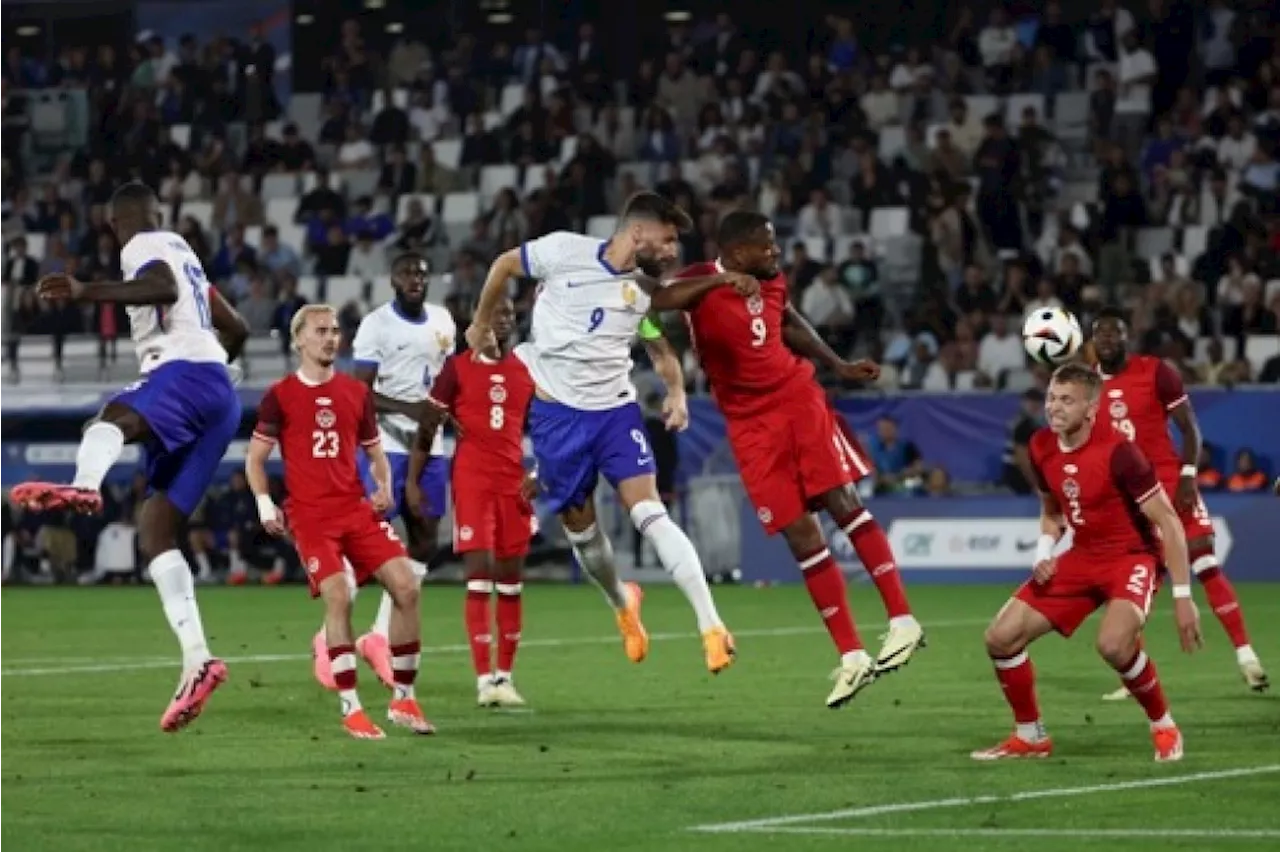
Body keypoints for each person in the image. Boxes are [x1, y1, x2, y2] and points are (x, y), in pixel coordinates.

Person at [465, 191, 746, 673]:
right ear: (637, 233)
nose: (672, 250)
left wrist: (676, 392)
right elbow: (503, 265)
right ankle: (622, 602)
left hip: (615, 414)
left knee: (650, 512)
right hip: (557, 421)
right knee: (584, 535)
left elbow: (660, 349)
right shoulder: (563, 252)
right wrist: (478, 322)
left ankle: (712, 626)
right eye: (667, 240)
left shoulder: (642, 292)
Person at [8, 181, 249, 733]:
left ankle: (87, 484)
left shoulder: (143, 246)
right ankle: (198, 659)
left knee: (107, 421)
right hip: (220, 392)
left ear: (114, 222)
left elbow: (160, 289)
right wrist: (214, 369)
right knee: (156, 528)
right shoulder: (189, 255)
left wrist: (84, 290)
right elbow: (239, 328)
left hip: (182, 372)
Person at [662, 211, 924, 707]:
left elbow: (787, 320)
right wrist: (722, 279)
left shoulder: (771, 279)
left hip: (796, 400)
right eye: (767, 247)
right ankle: (852, 657)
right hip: (748, 426)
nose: (776, 255)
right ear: (738, 252)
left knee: (843, 501)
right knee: (800, 534)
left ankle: (902, 621)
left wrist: (836, 364)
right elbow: (657, 301)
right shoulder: (700, 279)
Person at [972, 363, 1202, 762]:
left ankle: (1163, 726)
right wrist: (1044, 552)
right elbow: (1052, 512)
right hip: (1081, 556)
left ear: (1091, 408)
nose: (1054, 408)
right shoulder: (1042, 446)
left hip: (1131, 558)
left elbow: (1168, 521)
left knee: (1113, 645)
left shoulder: (1121, 453)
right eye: (1051, 398)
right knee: (1000, 636)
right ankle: (1030, 736)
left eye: (1066, 400)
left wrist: (1183, 597)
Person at [246, 304, 434, 740]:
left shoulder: (355, 393)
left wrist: (384, 486)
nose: (331, 338)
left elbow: (374, 451)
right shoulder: (280, 395)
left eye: (334, 331)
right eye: (320, 331)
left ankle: (404, 698)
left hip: (354, 508)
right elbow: (256, 459)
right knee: (340, 595)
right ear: (299, 340)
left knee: (406, 584)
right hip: (311, 516)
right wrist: (264, 505)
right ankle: (351, 707)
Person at [1092, 307, 1268, 695]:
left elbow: (1190, 428)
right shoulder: (1087, 388)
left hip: (1170, 484)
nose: (1107, 339)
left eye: (1114, 332)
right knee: (1127, 580)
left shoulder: (1156, 372)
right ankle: (1132, 666)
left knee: (1204, 559)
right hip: (1125, 498)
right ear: (1091, 341)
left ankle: (1246, 657)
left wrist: (1187, 476)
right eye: (1100, 333)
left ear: (1128, 337)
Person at [309, 252, 456, 691]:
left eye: (422, 273)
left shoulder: (444, 320)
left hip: (432, 447)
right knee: (363, 541)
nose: (416, 279)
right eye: (408, 272)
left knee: (426, 538)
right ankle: (327, 634)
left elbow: (447, 381)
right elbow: (360, 393)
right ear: (393, 279)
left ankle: (376, 634)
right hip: (386, 446)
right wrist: (410, 407)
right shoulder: (377, 324)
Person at [409, 297, 537, 707]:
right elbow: (428, 426)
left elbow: (551, 427)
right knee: (480, 577)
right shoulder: (457, 369)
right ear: (477, 323)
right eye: (497, 313)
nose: (505, 320)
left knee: (512, 584)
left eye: (510, 314)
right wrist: (414, 479)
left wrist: (540, 472)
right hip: (473, 483)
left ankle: (506, 677)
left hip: (513, 486)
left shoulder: (525, 370)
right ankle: (484, 680)